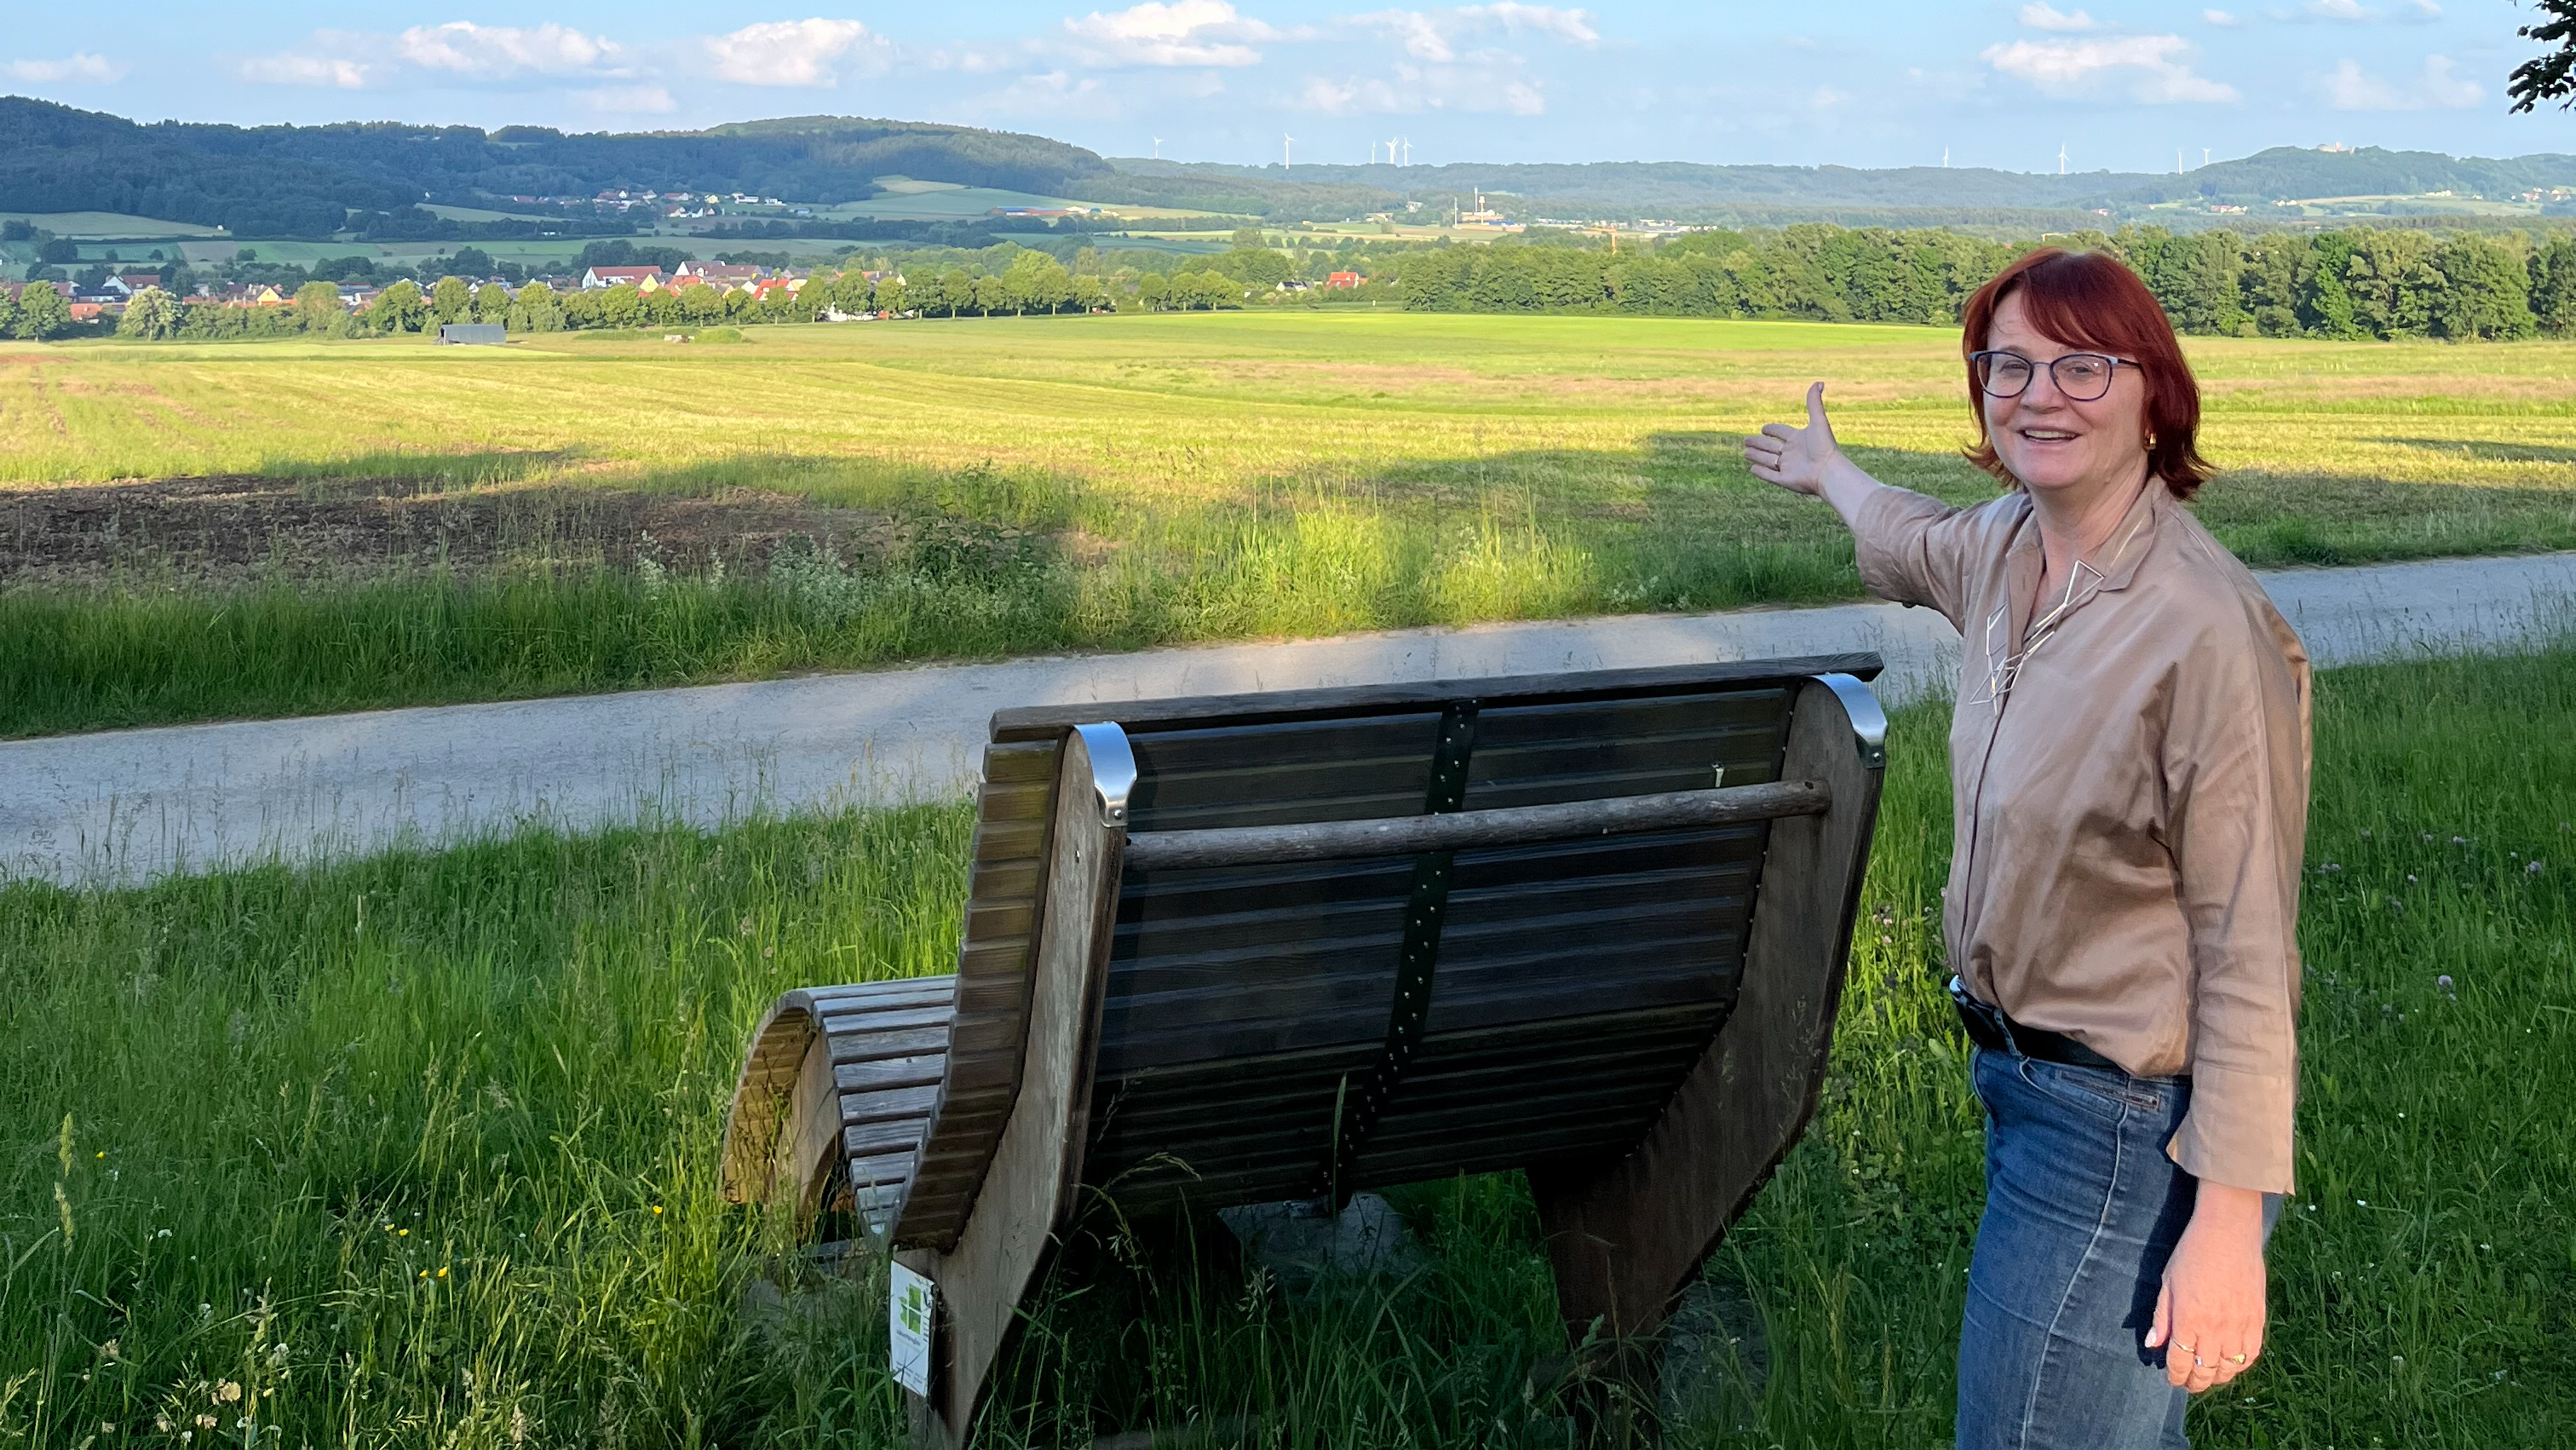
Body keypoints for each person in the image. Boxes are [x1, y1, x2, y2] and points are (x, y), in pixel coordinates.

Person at [1741, 247, 2310, 1449]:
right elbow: (1914, 535)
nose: (2039, 392)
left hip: (2126, 1135)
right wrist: (1831, 474)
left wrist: (2226, 1218)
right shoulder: (2011, 549)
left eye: (2082, 364)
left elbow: (2249, 945)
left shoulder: (2202, 628)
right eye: (2010, 363)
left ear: (2155, 390)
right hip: (2026, 1088)